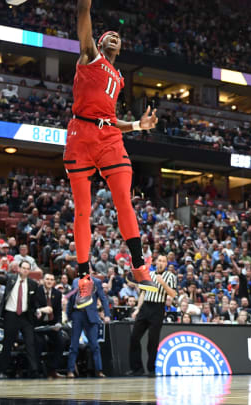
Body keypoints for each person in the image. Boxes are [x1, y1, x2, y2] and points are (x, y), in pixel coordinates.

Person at [67, 0, 159, 309]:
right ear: (101, 42)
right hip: (80, 135)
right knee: (83, 210)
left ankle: (138, 265)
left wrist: (136, 124)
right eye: (108, 35)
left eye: (118, 37)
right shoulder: (90, 55)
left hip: (108, 136)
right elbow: (82, 15)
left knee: (123, 198)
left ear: (119, 49)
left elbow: (109, 116)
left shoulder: (118, 77)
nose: (114, 37)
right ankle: (84, 277)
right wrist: (84, 6)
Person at [0, 261, 46, 379]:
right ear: (19, 269)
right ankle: (2, 370)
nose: (25, 270)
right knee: (7, 343)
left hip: (25, 316)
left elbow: (34, 302)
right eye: (24, 268)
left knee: (30, 343)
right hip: (11, 315)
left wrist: (37, 310)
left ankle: (34, 370)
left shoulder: (32, 284)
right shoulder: (10, 278)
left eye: (28, 269)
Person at [126, 254, 177, 377]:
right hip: (145, 307)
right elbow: (143, 293)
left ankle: (151, 369)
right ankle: (137, 368)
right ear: (155, 262)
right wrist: (138, 309)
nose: (160, 263)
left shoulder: (171, 276)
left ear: (166, 264)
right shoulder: (149, 274)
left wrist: (163, 284)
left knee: (152, 341)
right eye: (159, 260)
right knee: (134, 337)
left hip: (158, 308)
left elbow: (173, 294)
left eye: (163, 261)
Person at [66, 272, 110, 378]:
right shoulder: (75, 281)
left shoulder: (97, 282)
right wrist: (68, 314)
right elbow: (71, 300)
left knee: (95, 345)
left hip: (91, 315)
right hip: (77, 314)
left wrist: (107, 314)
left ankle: (99, 370)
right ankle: (70, 371)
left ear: (90, 269)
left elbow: (103, 299)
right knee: (74, 345)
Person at [35, 273, 65, 378]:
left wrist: (59, 323)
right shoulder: (37, 291)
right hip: (38, 324)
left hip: (52, 324)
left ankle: (52, 369)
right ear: (43, 280)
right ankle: (37, 371)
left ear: (53, 282)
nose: (49, 281)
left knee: (61, 342)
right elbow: (34, 308)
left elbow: (59, 311)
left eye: (51, 279)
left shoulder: (57, 294)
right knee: (39, 343)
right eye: (47, 279)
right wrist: (41, 310)